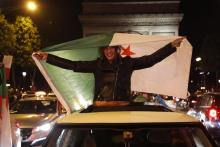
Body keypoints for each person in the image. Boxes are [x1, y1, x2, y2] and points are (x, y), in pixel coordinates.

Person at [33, 37, 184, 102]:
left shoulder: (128, 63)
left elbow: (150, 60)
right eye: (105, 49)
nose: (108, 51)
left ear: (117, 50)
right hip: (100, 107)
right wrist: (48, 57)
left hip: (123, 106)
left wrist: (170, 47)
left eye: (111, 48)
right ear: (103, 51)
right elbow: (73, 65)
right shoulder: (96, 65)